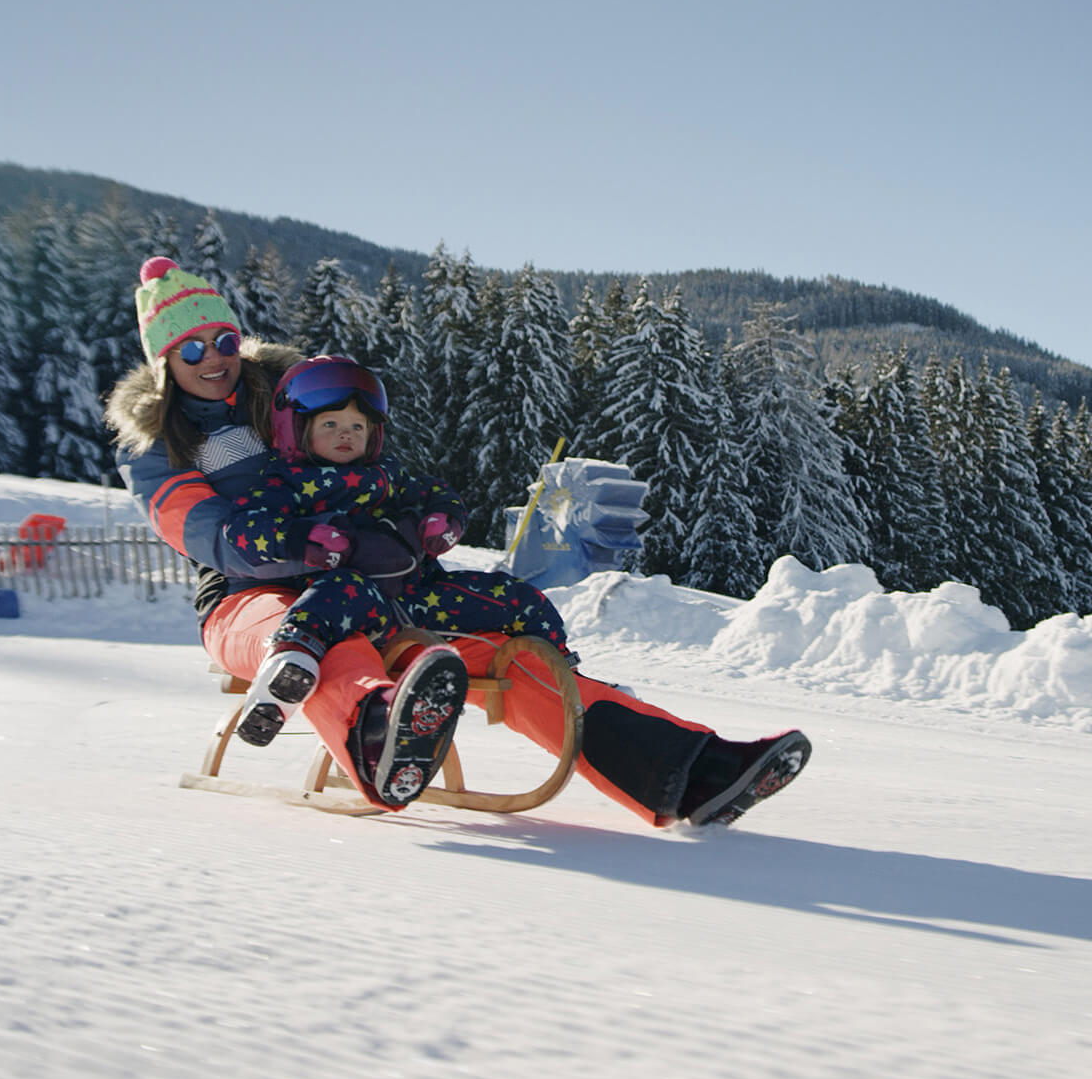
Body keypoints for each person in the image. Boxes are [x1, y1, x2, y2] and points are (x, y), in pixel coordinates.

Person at [106, 257, 809, 825]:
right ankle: (383, 740)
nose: (214, 357)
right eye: (190, 347)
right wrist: (316, 547)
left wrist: (404, 527)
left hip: (375, 583)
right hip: (247, 595)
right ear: (163, 359)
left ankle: (688, 770)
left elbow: (366, 459)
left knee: (511, 654)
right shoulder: (157, 442)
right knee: (326, 642)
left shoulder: (287, 390)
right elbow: (210, 535)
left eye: (224, 340)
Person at [219, 353, 575, 751]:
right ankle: (288, 670)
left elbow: (440, 493)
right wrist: (303, 538)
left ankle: (570, 681)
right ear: (296, 428)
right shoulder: (287, 481)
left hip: (423, 599)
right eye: (330, 424)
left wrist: (443, 520)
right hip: (357, 603)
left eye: (358, 426)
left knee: (518, 597)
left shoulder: (389, 476)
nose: (346, 435)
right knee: (330, 596)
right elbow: (244, 530)